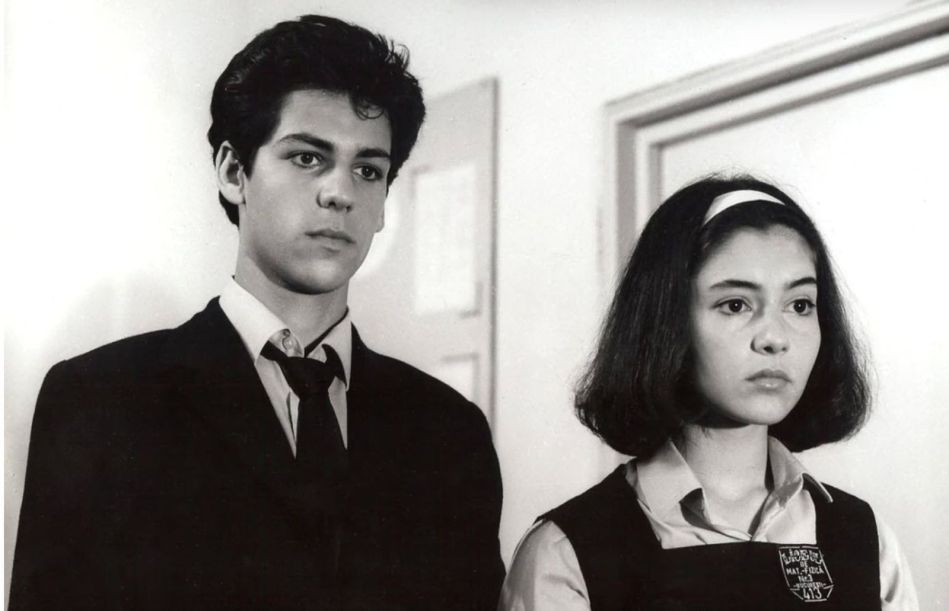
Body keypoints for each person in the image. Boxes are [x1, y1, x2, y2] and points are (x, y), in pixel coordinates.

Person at [10, 15, 504, 610]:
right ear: (233, 172)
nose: (340, 192)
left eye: (368, 170)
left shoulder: (450, 432)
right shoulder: (101, 400)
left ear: (382, 205)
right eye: (308, 158)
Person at [500, 176, 917, 610]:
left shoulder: (868, 541)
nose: (775, 338)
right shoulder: (567, 554)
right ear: (667, 320)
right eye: (735, 305)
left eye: (799, 305)